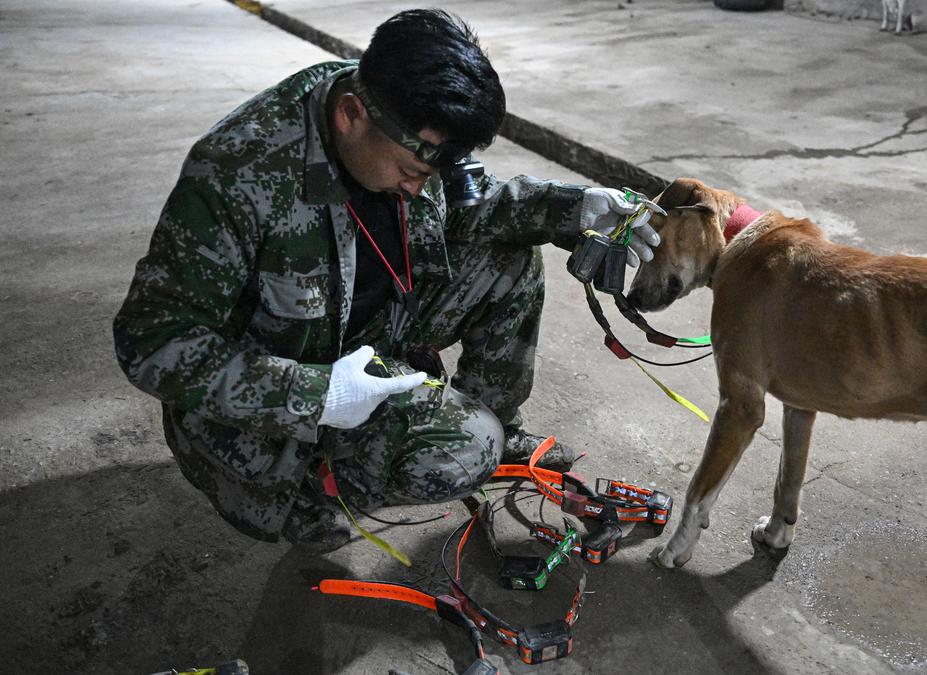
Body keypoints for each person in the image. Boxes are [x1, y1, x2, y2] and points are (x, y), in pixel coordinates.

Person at [112, 9, 660, 554]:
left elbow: (468, 208)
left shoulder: (396, 110)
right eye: (416, 173)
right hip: (277, 390)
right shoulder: (238, 173)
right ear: (350, 116)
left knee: (510, 261)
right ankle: (305, 489)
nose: (423, 189)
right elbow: (152, 342)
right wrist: (317, 395)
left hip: (366, 324)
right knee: (468, 447)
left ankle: (496, 420)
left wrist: (574, 209)